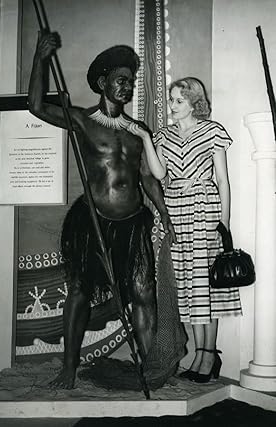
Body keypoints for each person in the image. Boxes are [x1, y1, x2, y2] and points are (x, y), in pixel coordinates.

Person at [28, 32, 176, 389]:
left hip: (133, 224)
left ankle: (148, 368)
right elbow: (35, 106)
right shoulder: (82, 120)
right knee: (79, 292)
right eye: (121, 80)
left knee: (144, 293)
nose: (128, 86)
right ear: (102, 82)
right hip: (92, 222)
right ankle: (68, 368)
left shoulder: (136, 131)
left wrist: (164, 215)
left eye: (131, 81)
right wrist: (40, 58)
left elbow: (147, 179)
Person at [128, 77, 242, 384]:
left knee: (207, 284)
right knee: (187, 286)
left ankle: (208, 355)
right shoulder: (164, 135)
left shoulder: (213, 131)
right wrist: (147, 139)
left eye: (179, 100)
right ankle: (199, 357)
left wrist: (225, 222)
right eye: (171, 99)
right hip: (176, 210)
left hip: (205, 210)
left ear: (194, 101)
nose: (172, 106)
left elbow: (223, 180)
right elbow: (160, 173)